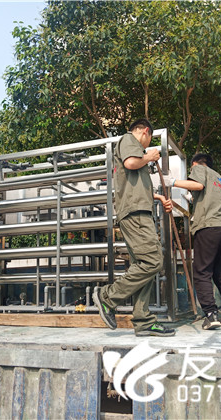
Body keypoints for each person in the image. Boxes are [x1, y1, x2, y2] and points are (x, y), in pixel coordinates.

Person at [93, 119, 176, 337]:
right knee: (153, 261)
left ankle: (143, 321)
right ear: (146, 131)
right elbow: (130, 163)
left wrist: (159, 198)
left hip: (137, 211)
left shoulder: (137, 151)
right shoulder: (129, 140)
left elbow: (136, 186)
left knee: (144, 266)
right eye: (149, 140)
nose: (148, 146)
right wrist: (149, 156)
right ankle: (107, 297)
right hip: (135, 213)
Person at [167, 154, 221, 330]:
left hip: (209, 228)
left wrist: (172, 182)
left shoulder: (199, 168)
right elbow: (207, 197)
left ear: (195, 164)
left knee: (202, 273)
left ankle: (211, 315)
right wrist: (191, 199)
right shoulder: (219, 178)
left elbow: (198, 185)